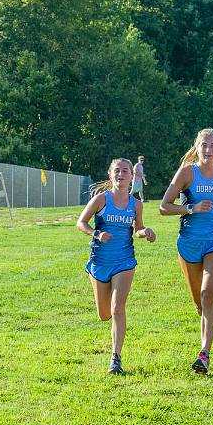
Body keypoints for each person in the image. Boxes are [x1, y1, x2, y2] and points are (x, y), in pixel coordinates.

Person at [159, 128, 213, 374]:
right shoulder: (187, 173)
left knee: (208, 295)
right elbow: (164, 206)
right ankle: (205, 333)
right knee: (200, 303)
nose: (208, 150)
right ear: (196, 148)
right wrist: (191, 208)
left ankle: (204, 355)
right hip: (188, 243)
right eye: (204, 145)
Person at [76, 158, 156, 374]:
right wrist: (97, 233)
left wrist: (145, 232)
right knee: (104, 314)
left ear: (132, 176)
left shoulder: (136, 204)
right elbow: (81, 223)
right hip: (100, 262)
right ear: (110, 175)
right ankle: (112, 328)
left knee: (117, 308)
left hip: (125, 261)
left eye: (125, 171)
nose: (121, 174)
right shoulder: (101, 199)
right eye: (117, 171)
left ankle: (116, 358)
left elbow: (137, 228)